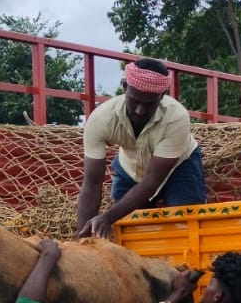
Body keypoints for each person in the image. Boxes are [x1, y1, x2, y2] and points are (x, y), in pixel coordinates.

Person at [76, 58, 207, 240]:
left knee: (185, 226)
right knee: (129, 231)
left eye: (149, 104)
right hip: (130, 168)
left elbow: (152, 180)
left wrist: (108, 217)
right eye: (135, 101)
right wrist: (81, 238)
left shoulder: (176, 117)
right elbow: (92, 182)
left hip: (179, 167)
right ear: (124, 87)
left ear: (162, 96)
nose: (139, 111)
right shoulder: (101, 119)